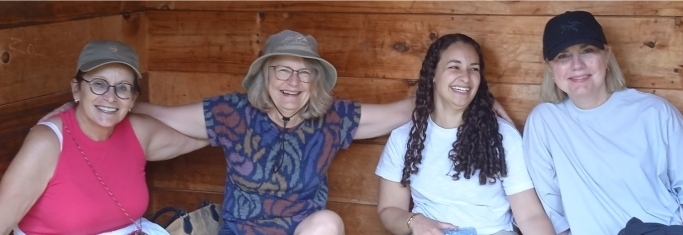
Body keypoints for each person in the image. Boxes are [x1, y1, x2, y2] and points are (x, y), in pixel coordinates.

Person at [37, 30, 512, 235]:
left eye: (304, 73)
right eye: (282, 71)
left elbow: (400, 111)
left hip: (301, 231)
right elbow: (164, 115)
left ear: (316, 82)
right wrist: (108, 103)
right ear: (264, 76)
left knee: (328, 223)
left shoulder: (332, 118)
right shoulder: (232, 112)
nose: (293, 82)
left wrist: (469, 94)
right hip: (240, 232)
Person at [523, 11, 683, 235]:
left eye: (587, 51)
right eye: (563, 55)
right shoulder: (544, 121)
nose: (577, 64)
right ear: (550, 68)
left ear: (606, 55)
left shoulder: (654, 112)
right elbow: (555, 216)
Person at [0, 40, 208, 235]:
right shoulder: (47, 142)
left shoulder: (138, 131)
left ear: (134, 98)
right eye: (99, 84)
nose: (110, 97)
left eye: (123, 88)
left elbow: (209, 132)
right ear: (76, 89)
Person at [375, 33, 555, 235]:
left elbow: (530, 216)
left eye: (474, 69)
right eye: (454, 66)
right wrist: (414, 221)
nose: (466, 77)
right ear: (433, 73)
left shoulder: (503, 137)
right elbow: (389, 210)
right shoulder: (404, 138)